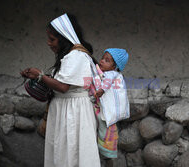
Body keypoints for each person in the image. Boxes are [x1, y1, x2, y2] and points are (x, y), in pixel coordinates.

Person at [20, 13, 101, 167]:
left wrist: (40, 75)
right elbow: (62, 82)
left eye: (52, 39)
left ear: (64, 39)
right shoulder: (70, 57)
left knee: (72, 151)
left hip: (73, 111)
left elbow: (63, 87)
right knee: (64, 151)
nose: (49, 43)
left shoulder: (76, 56)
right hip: (66, 108)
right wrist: (38, 77)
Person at [89, 48, 130, 166]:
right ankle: (106, 153)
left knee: (106, 132)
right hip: (100, 110)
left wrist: (101, 90)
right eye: (102, 58)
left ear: (114, 67)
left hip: (106, 114)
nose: (102, 61)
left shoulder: (112, 74)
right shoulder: (102, 74)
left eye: (107, 61)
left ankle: (108, 154)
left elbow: (107, 82)